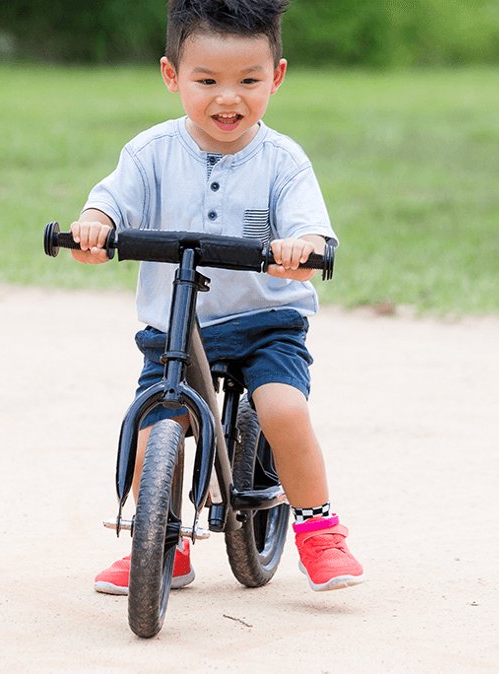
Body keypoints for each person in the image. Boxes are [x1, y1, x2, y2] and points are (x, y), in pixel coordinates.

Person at [69, 0, 364, 594]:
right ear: (171, 75)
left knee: (282, 408)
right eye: (207, 81)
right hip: (176, 329)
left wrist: (301, 248)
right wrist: (94, 228)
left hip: (265, 323)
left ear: (276, 77)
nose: (228, 99)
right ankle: (158, 544)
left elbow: (312, 230)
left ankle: (318, 529)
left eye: (248, 81)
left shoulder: (282, 161)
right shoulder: (149, 153)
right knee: (158, 425)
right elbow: (107, 205)